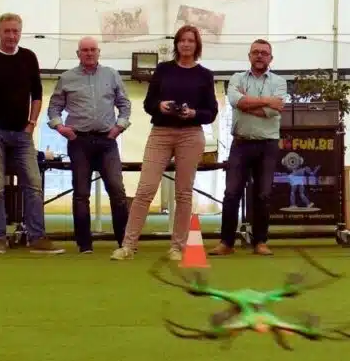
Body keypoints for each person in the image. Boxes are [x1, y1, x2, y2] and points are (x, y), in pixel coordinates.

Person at [112, 25, 217, 261]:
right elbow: (148, 103)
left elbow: (211, 112)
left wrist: (193, 113)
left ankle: (177, 247)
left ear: (197, 45)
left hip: (191, 134)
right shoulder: (163, 69)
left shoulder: (205, 75)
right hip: (160, 133)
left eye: (191, 40)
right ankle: (128, 245)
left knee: (184, 193)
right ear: (176, 44)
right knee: (145, 189)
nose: (186, 44)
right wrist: (160, 106)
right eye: (182, 40)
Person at [0, 13, 58, 254]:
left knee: (34, 184)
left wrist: (32, 123)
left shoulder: (29, 58)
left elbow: (37, 94)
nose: (11, 36)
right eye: (7, 31)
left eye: (15, 31)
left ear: (20, 32)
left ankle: (37, 238)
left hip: (22, 135)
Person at [46, 36, 130, 256]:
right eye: (85, 50)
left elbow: (124, 104)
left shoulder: (112, 75)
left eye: (93, 49)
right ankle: (84, 244)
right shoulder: (66, 78)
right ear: (78, 54)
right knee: (81, 193)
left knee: (117, 191)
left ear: (99, 52)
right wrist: (60, 127)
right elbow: (53, 108)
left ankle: (125, 241)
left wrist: (119, 126)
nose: (89, 53)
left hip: (107, 141)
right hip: (79, 142)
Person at [219, 38, 288, 257]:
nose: (259, 56)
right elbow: (235, 101)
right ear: (249, 56)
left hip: (268, 145)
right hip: (240, 143)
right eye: (256, 52)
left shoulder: (280, 82)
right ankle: (226, 243)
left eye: (264, 53)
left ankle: (260, 242)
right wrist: (266, 101)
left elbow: (274, 110)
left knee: (263, 195)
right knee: (231, 193)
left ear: (270, 58)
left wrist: (247, 104)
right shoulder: (236, 78)